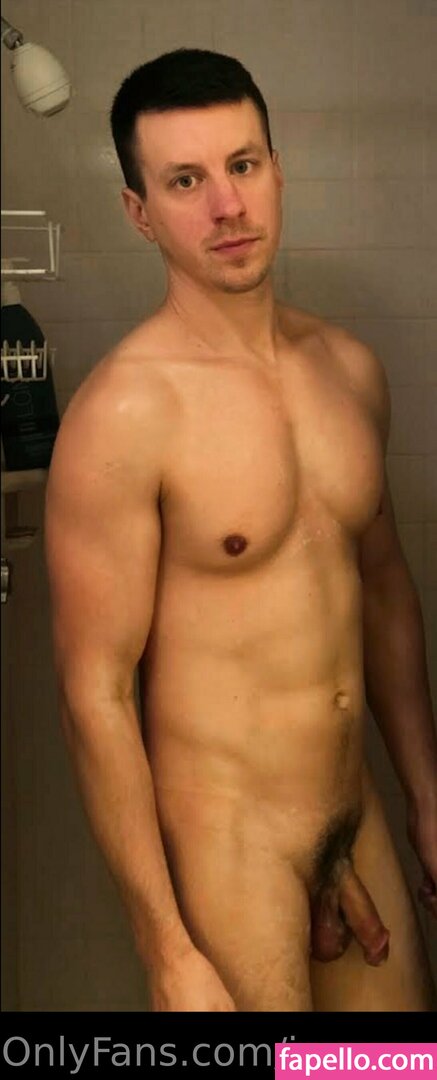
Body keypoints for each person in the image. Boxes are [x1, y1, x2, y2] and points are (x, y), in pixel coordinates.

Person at [45, 48, 437, 1012]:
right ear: (139, 211)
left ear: (276, 170)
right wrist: (165, 951)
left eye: (243, 165)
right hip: (230, 846)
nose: (227, 206)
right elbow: (95, 692)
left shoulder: (347, 370)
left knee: (387, 1072)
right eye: (185, 181)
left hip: (353, 815)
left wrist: (425, 795)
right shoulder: (125, 412)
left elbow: (384, 592)